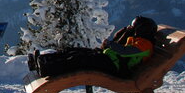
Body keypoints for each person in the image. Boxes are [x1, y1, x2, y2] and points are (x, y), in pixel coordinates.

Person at [29, 16, 158, 78]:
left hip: (115, 66)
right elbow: (120, 44)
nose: (132, 29)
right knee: (75, 51)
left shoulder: (145, 45)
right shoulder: (139, 40)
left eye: (134, 27)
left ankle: (46, 68)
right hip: (109, 59)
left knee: (79, 59)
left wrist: (110, 44)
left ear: (141, 29)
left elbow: (124, 52)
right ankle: (42, 60)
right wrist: (125, 32)